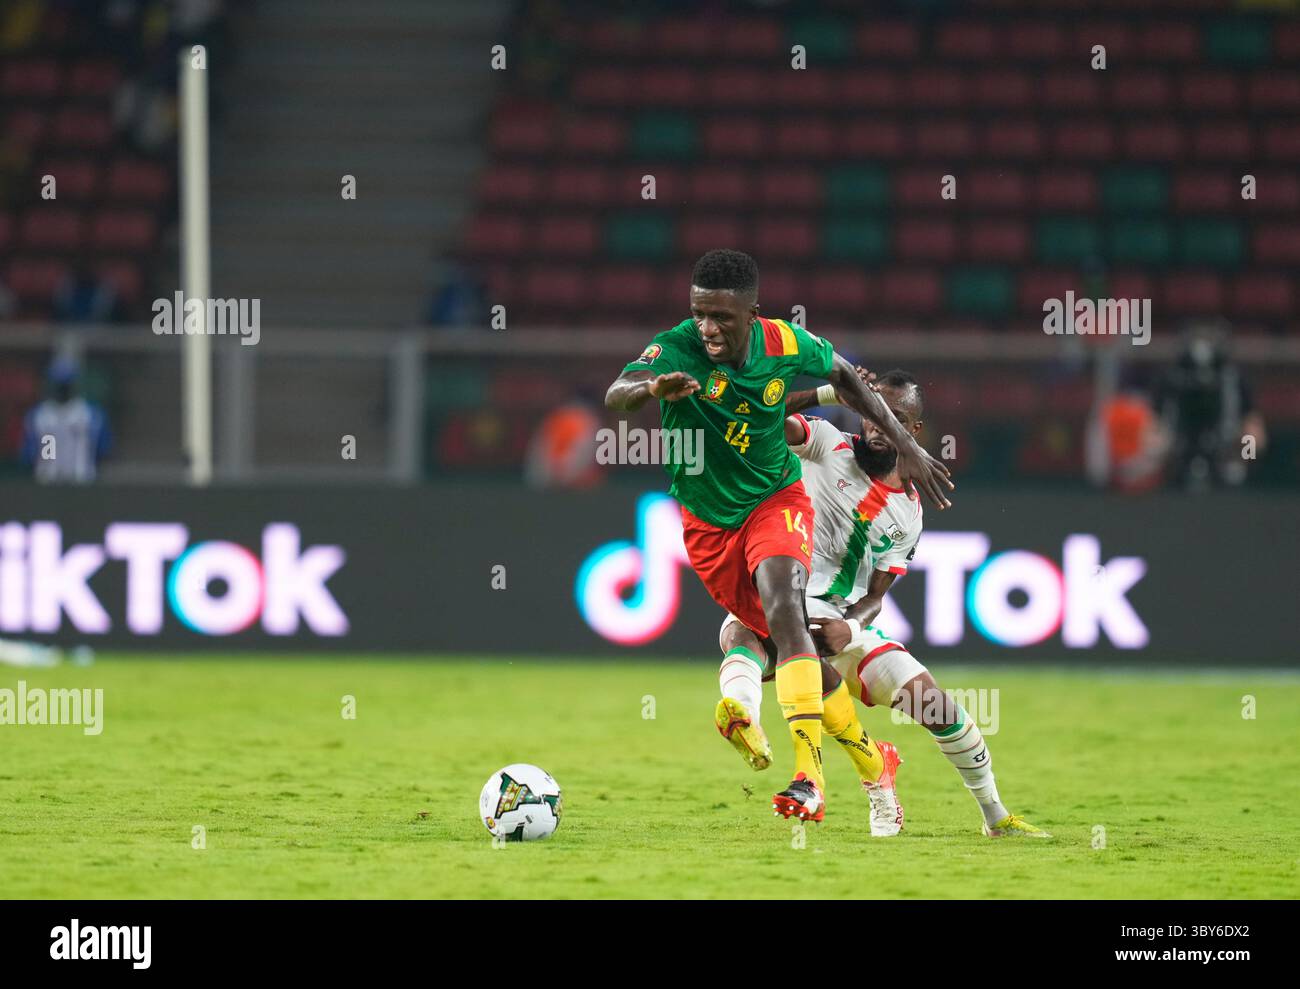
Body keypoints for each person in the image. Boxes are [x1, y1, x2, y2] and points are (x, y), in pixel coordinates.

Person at [604, 249, 952, 822]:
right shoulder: (677, 345)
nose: (709, 328)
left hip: (776, 499)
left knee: (785, 609)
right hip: (709, 523)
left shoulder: (786, 342)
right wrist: (650, 390)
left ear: (753, 313)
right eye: (700, 314)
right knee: (789, 643)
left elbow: (842, 376)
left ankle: (807, 779)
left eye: (722, 317)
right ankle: (873, 761)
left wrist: (909, 445)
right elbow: (618, 392)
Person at [716, 370, 1049, 838]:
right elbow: (759, 417)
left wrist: (849, 630)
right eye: (873, 409)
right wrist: (829, 391)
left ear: (912, 432)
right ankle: (741, 712)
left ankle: (996, 817)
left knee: (938, 708)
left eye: (894, 415)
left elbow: (875, 597)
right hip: (783, 598)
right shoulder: (825, 441)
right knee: (739, 630)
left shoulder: (909, 513)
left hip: (842, 621)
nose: (878, 422)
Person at [22, 358, 111, 484]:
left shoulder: (92, 415)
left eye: (65, 385)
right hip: (47, 484)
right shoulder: (38, 416)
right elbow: (30, 455)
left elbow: (102, 450)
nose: (62, 389)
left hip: (83, 483)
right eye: (60, 385)